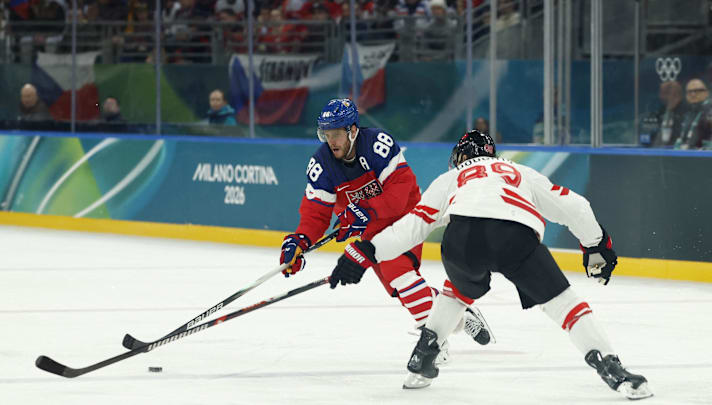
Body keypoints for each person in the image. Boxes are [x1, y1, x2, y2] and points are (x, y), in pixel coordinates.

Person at [330, 130, 653, 400]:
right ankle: (612, 368)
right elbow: (575, 206)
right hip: (514, 237)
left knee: (456, 292)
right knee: (564, 304)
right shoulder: (520, 172)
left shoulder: (451, 178)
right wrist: (596, 245)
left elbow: (414, 225)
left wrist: (366, 252)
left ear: (460, 156)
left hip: (460, 240)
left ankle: (422, 359)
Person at [280, 99, 491, 362]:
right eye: (326, 134)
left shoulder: (377, 144)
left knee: (397, 272)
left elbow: (399, 193)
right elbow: (315, 214)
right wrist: (299, 241)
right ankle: (457, 313)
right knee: (399, 287)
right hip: (372, 226)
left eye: (336, 134)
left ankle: (434, 343)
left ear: (352, 131)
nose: (331, 141)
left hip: (406, 214)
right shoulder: (321, 165)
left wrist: (363, 211)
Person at [675, 78, 712, 150]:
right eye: (689, 91)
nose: (693, 94)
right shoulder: (685, 113)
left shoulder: (709, 112)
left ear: (706, 93)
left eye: (697, 90)